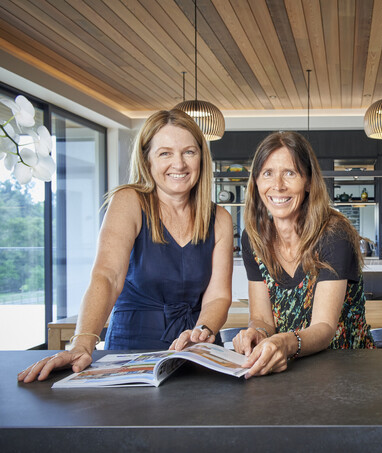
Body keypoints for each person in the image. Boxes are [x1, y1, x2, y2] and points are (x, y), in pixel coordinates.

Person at [18, 109, 233, 383]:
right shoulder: (129, 201)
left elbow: (218, 297)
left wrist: (202, 331)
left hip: (193, 350)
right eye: (165, 153)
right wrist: (82, 343)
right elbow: (107, 276)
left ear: (201, 157)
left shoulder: (220, 219)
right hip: (131, 346)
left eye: (189, 152)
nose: (179, 164)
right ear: (147, 160)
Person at [233, 131, 374, 378]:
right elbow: (262, 318)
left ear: (308, 182)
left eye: (290, 173)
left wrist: (283, 343)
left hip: (347, 369)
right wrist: (258, 332)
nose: (277, 186)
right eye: (267, 173)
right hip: (287, 370)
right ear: (256, 181)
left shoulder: (333, 234)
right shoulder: (254, 238)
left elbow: (325, 327)